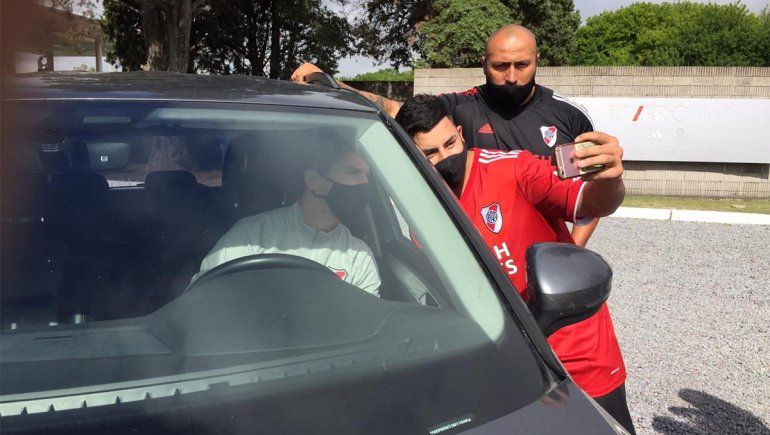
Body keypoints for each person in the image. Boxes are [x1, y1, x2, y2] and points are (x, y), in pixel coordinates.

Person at [394, 95, 636, 434]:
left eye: (450, 143)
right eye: (430, 154)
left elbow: (590, 201)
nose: (447, 158)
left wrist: (609, 180)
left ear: (461, 133)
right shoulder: (421, 210)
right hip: (511, 366)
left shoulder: (513, 168)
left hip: (577, 354)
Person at [291, 24, 600, 247]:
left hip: (549, 256)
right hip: (488, 259)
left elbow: (591, 192)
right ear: (483, 63)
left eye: (522, 65)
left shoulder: (569, 116)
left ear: (537, 59)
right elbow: (394, 108)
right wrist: (327, 80)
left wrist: (571, 251)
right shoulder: (461, 107)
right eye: (500, 65)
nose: (511, 76)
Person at [193, 137, 381, 297]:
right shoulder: (250, 238)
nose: (365, 183)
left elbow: (369, 326)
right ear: (313, 181)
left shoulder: (359, 256)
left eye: (367, 175)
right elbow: (199, 302)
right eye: (353, 172)